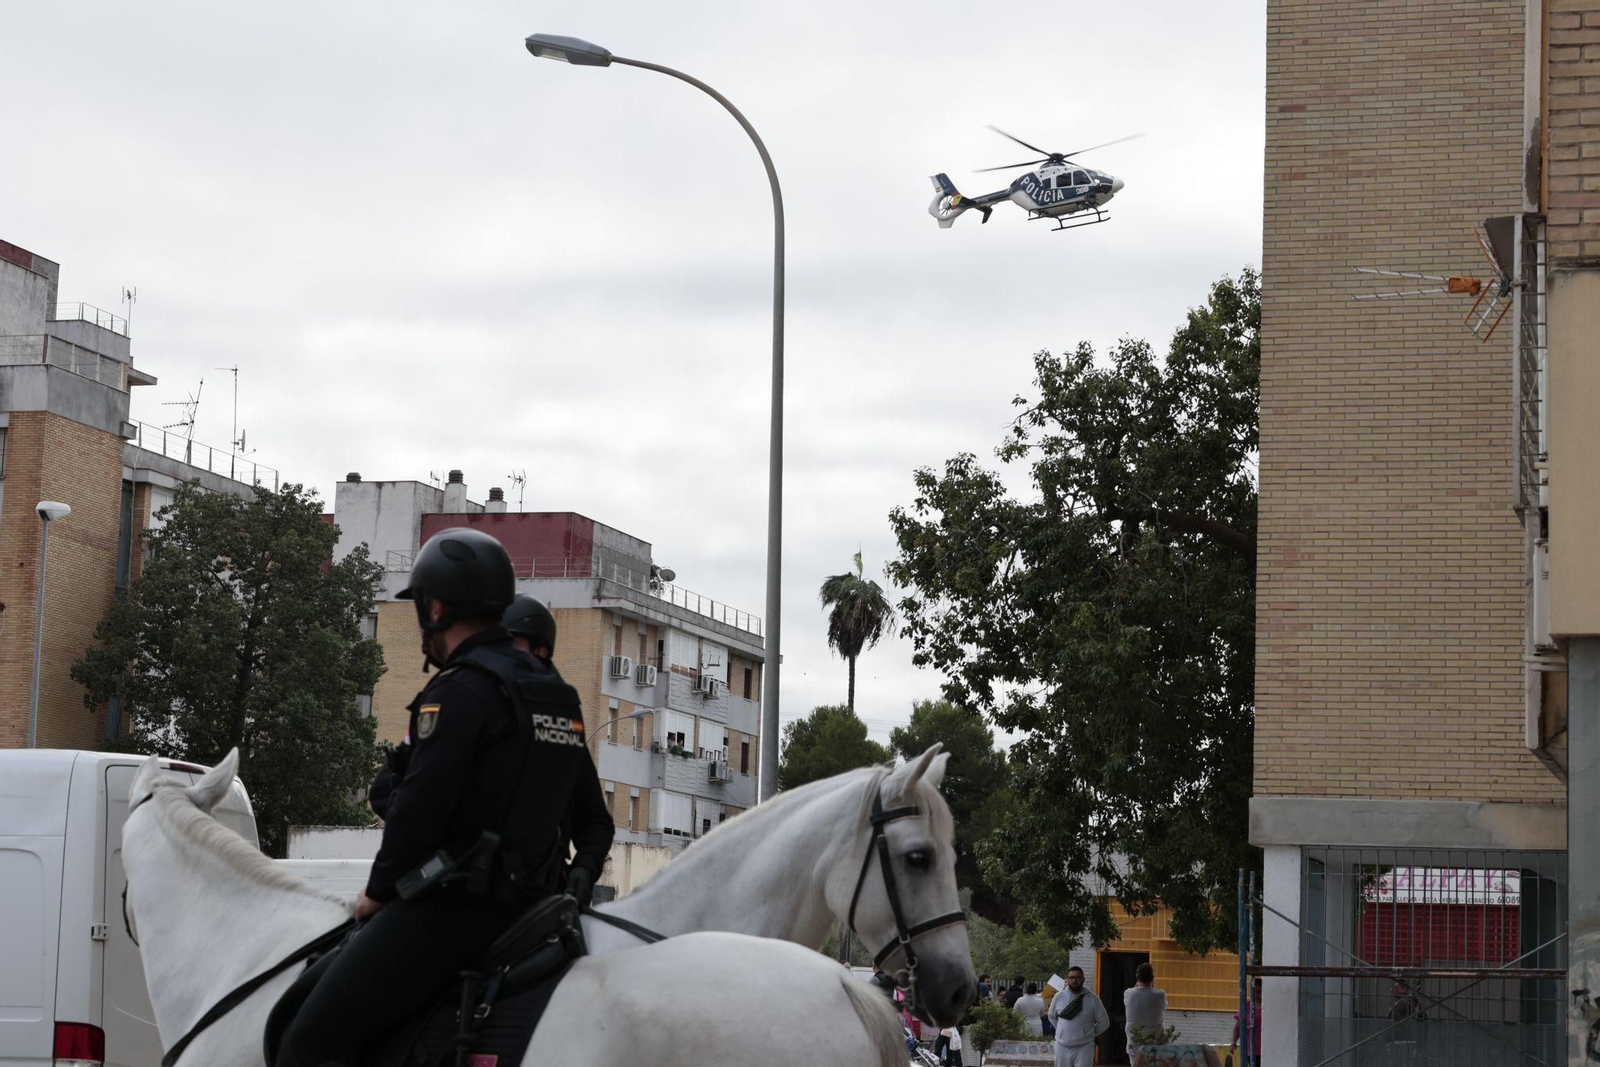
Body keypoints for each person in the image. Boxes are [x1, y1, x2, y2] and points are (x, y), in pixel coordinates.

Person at [278, 528, 615, 1067]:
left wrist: (378, 892)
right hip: (540, 910)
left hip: (456, 910)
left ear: (435, 608)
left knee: (306, 1038)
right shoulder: (558, 695)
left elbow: (419, 809)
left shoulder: (461, 688)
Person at [1048, 966, 1109, 1067]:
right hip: (1062, 1047)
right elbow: (1051, 1016)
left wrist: (1088, 1033)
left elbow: (1104, 1022)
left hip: (1084, 1047)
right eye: (1071, 977)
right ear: (1067, 979)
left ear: (1083, 979)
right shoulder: (1058, 996)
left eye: (1078, 977)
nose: (1074, 980)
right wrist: (1061, 1031)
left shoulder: (1093, 999)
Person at [1124, 962, 1168, 1049]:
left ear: (1137, 977)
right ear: (1152, 978)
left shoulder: (1128, 993)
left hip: (1134, 1043)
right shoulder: (1160, 994)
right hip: (1155, 1043)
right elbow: (1165, 1007)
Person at [1229, 979, 1262, 1067]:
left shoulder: (1267, 1007)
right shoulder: (1246, 1006)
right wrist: (1233, 1041)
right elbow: (1238, 1026)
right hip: (1250, 1050)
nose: (1256, 994)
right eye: (1254, 992)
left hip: (1266, 1049)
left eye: (1259, 992)